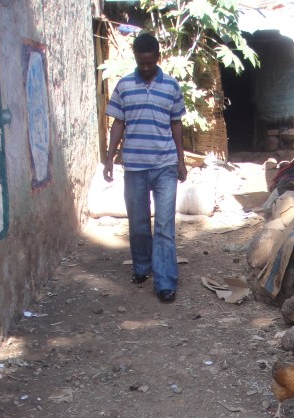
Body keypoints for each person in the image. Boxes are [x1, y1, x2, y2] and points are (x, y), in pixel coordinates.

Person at [103, 32, 187, 303]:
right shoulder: (124, 86)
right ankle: (141, 266)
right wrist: (109, 158)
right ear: (136, 59)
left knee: (164, 225)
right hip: (135, 167)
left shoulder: (172, 87)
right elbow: (118, 123)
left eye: (151, 63)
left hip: (165, 165)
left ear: (158, 58)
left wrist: (181, 160)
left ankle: (165, 282)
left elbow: (177, 123)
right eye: (142, 63)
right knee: (138, 223)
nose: (147, 68)